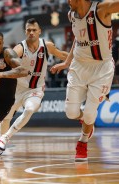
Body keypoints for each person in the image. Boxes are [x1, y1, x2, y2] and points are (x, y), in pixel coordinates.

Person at [50, 0, 119, 162]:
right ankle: (86, 122)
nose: (67, 1)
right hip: (79, 66)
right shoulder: (71, 15)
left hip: (101, 68)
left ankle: (83, 140)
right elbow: (78, 36)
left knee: (90, 113)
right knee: (71, 113)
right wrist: (67, 62)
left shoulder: (102, 9)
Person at [0, 18, 68, 156]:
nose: (31, 32)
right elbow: (8, 62)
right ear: (25, 32)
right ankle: (1, 141)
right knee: (5, 117)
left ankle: (4, 138)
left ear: (39, 31)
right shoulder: (20, 48)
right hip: (17, 89)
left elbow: (63, 55)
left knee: (30, 109)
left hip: (35, 89)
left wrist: (82, 60)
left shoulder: (47, 46)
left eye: (34, 30)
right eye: (28, 30)